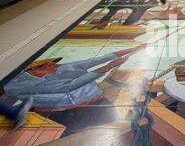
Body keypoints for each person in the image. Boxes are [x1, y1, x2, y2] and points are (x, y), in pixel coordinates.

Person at [3, 48, 139, 111]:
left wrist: (135, 49)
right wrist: (108, 67)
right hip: (69, 109)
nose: (55, 66)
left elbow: (96, 60)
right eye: (50, 64)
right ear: (35, 69)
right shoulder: (27, 85)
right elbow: (70, 86)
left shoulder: (58, 69)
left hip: (94, 98)